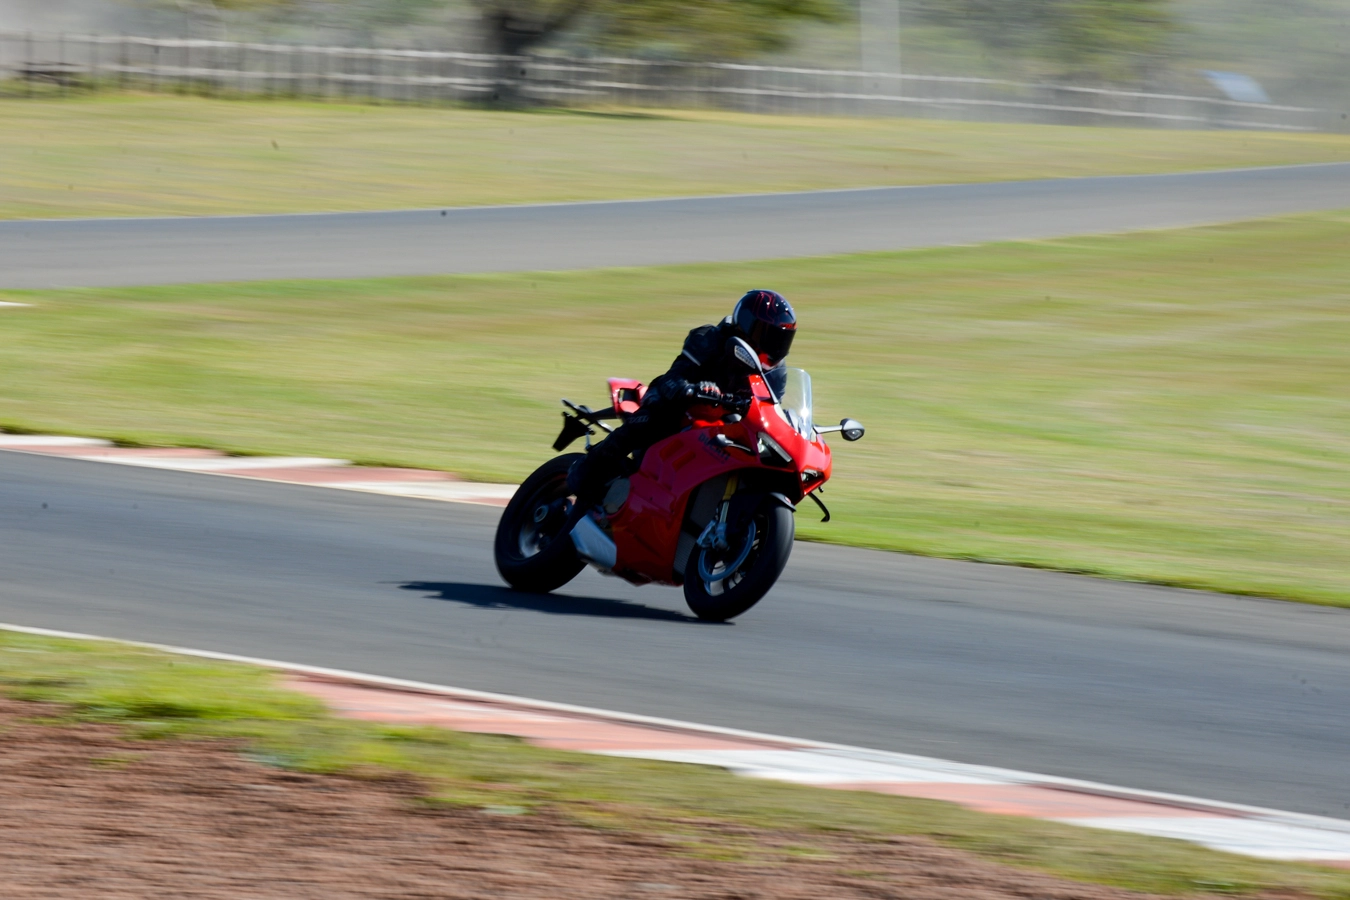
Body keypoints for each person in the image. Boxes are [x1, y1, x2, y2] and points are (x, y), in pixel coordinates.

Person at [567, 289, 797, 504]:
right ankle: (582, 473)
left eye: (781, 339)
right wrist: (692, 389)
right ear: (746, 327)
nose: (775, 346)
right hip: (678, 406)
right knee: (651, 421)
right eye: (767, 336)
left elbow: (770, 409)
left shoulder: (776, 372)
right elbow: (673, 378)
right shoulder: (710, 338)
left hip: (724, 424)